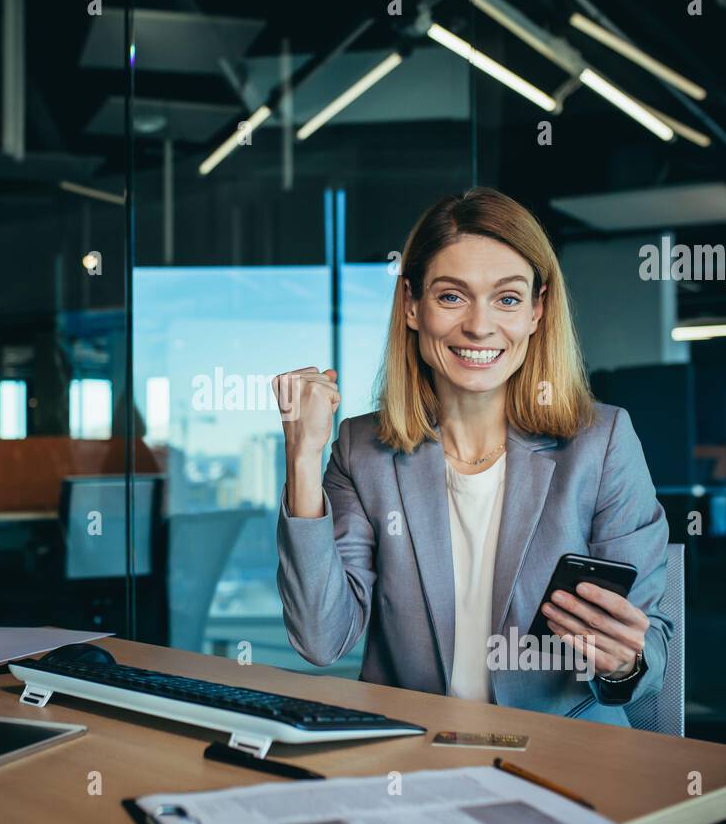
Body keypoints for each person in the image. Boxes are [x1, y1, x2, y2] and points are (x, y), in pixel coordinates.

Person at [273, 187, 671, 726]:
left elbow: (652, 646)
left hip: (562, 750)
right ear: (412, 306)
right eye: (451, 296)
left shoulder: (601, 443)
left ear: (537, 310)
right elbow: (320, 640)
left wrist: (623, 660)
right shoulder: (361, 450)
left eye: (507, 299)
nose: (480, 326)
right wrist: (303, 458)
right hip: (409, 753)